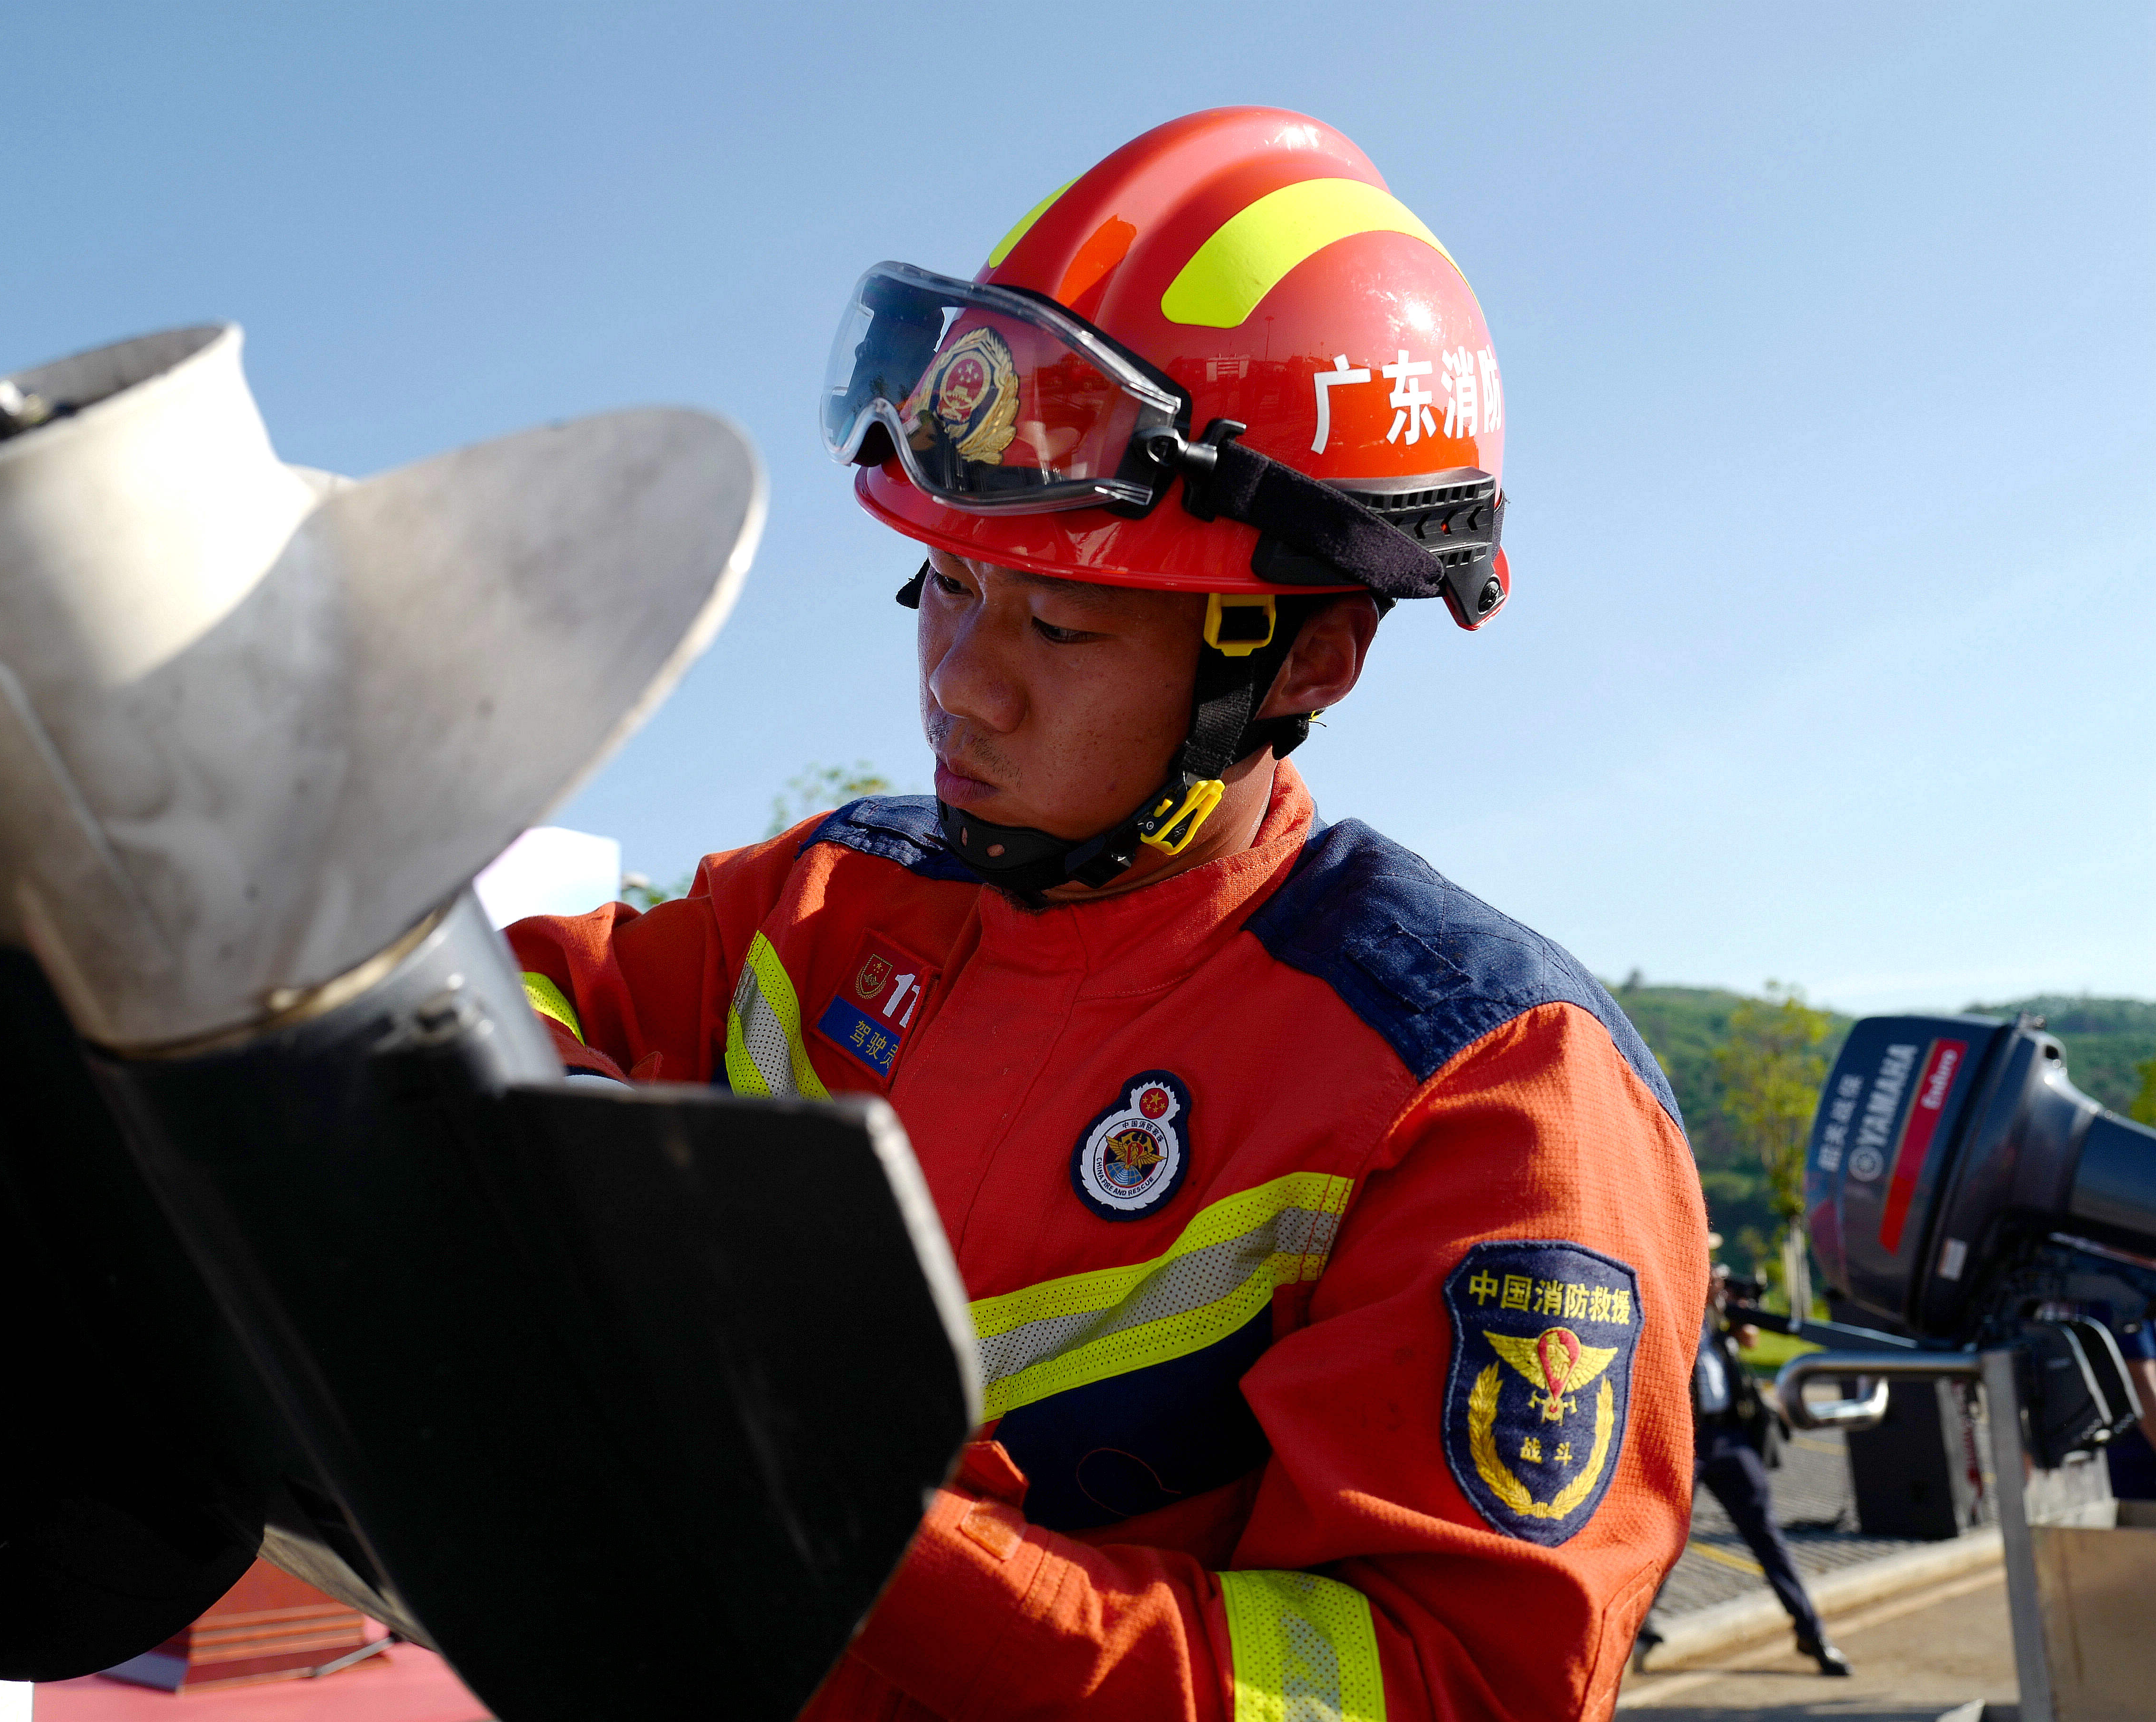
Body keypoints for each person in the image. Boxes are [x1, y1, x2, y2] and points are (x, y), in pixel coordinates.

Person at [507, 108, 1707, 1721]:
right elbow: (510, 1006)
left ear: (1303, 659)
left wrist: (848, 1534)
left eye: (1061, 623)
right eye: (943, 584)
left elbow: (1445, 1681)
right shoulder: (826, 896)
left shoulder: (1488, 1092)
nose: (958, 685)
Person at [1633, 1252, 1852, 1678]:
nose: (1714, 1273)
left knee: (1765, 1533)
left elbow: (1749, 1342)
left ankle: (1810, 1630)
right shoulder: (1669, 1297)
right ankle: (1635, 1626)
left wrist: (1732, 1315)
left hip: (1729, 1435)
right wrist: (1697, 1298)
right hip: (1685, 1439)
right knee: (1663, 1539)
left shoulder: (1717, 1313)